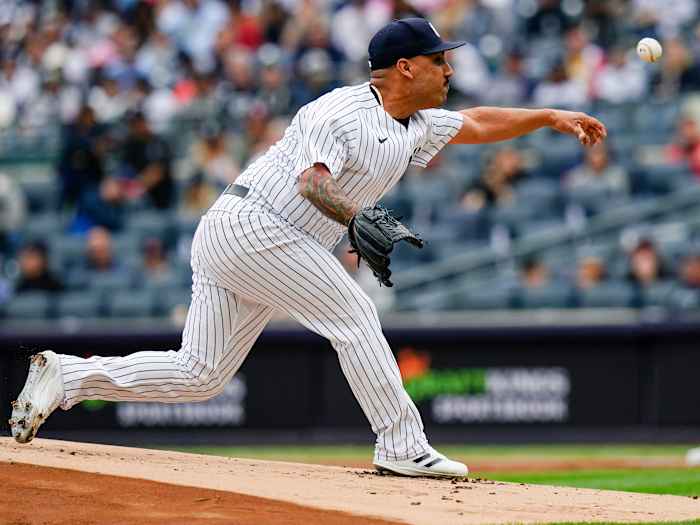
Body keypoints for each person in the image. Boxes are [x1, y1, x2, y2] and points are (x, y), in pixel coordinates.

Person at [9, 17, 606, 478]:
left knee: (201, 375)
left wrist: (550, 114)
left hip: (254, 239)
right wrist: (358, 217)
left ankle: (68, 376)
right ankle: (402, 446)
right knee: (355, 314)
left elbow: (478, 123)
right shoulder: (339, 111)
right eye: (438, 59)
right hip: (255, 225)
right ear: (404, 68)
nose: (448, 69)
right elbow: (312, 182)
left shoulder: (415, 125)